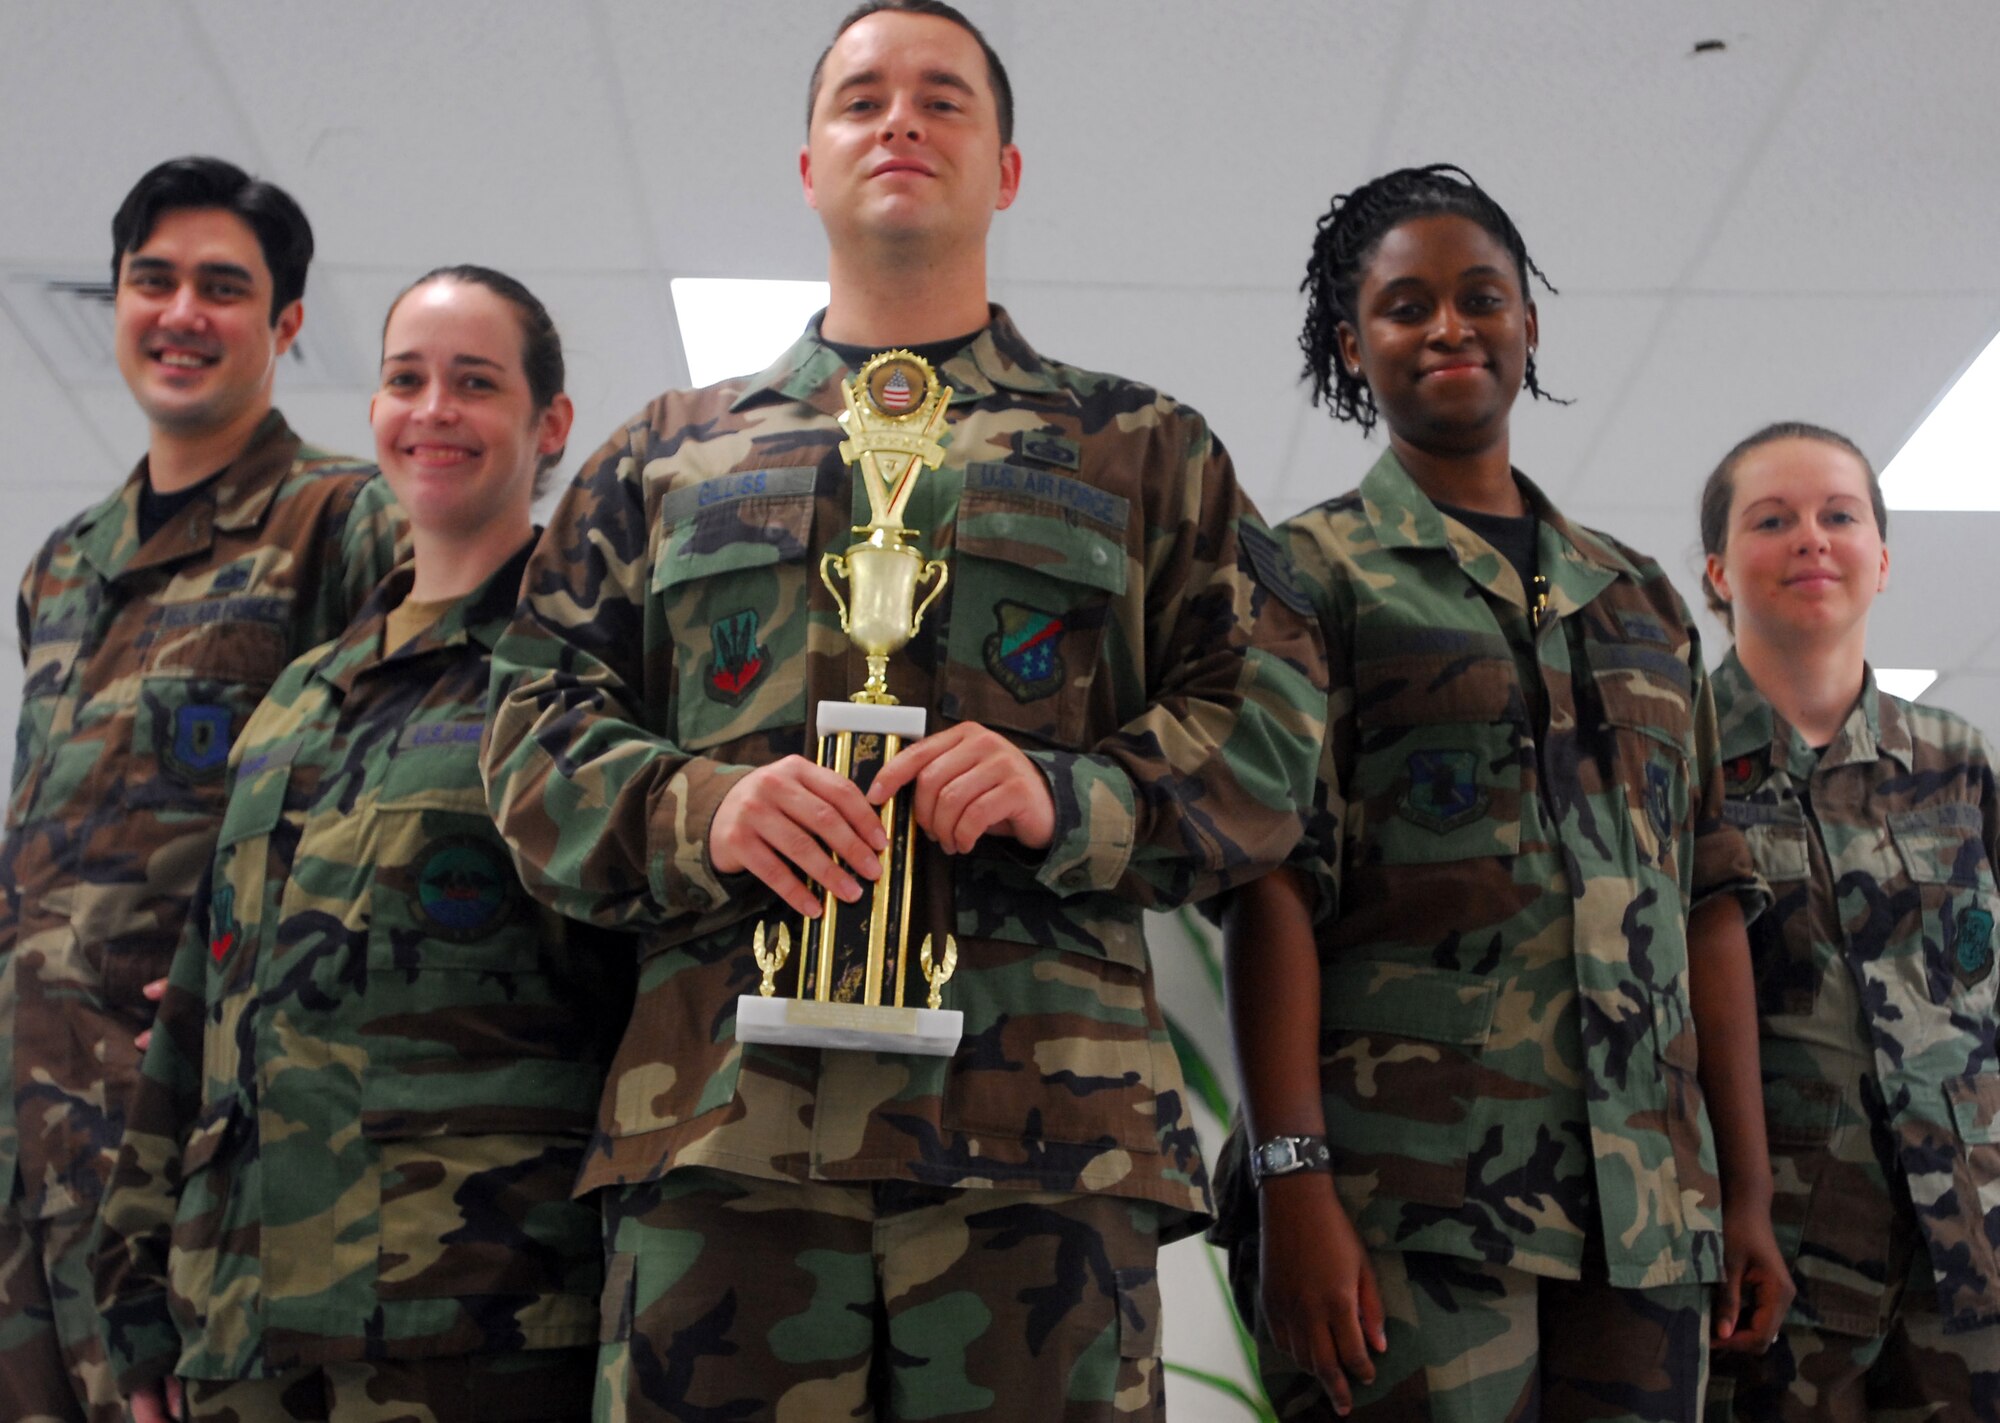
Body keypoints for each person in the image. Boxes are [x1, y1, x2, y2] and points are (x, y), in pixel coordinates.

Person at [479, 3, 1325, 1417]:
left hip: (1042, 1138)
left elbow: (1273, 727)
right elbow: (530, 729)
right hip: (724, 1135)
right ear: (807, 162)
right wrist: (702, 807)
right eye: (861, 99)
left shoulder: (1143, 450)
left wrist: (1074, 794)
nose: (900, 123)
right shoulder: (665, 456)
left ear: (1006, 170)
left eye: (943, 99)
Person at [1212, 164, 1792, 1423]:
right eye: (1403, 306)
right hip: (1404, 1196)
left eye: (1480, 297)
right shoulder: (1303, 576)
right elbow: (1268, 884)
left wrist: (1745, 1193)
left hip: (1649, 1210)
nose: (1449, 327)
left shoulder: (1639, 599)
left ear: (1527, 323)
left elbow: (1706, 904)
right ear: (1349, 344)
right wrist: (1291, 1180)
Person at [91, 266, 628, 1423]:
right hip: (239, 1325)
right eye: (405, 380)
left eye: (473, 383)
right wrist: (137, 1285)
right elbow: (199, 1003)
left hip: (478, 1325)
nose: (433, 410)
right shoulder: (298, 699)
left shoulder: (587, 675)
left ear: (549, 425)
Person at [0, 155, 406, 1423]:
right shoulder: (65, 564)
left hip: (180, 1150)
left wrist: (267, 983)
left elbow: (408, 787)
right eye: (152, 280)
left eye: (223, 288)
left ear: (286, 324)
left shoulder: (345, 523)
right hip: (25, 1136)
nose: (181, 313)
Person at [1695, 423, 2000, 1420]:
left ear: (1882, 558)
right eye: (1770, 520)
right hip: (1774, 1258)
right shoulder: (1672, 762)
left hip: (1970, 1250)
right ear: (1715, 571)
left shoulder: (1954, 761)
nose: (1810, 538)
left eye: (1839, 515)